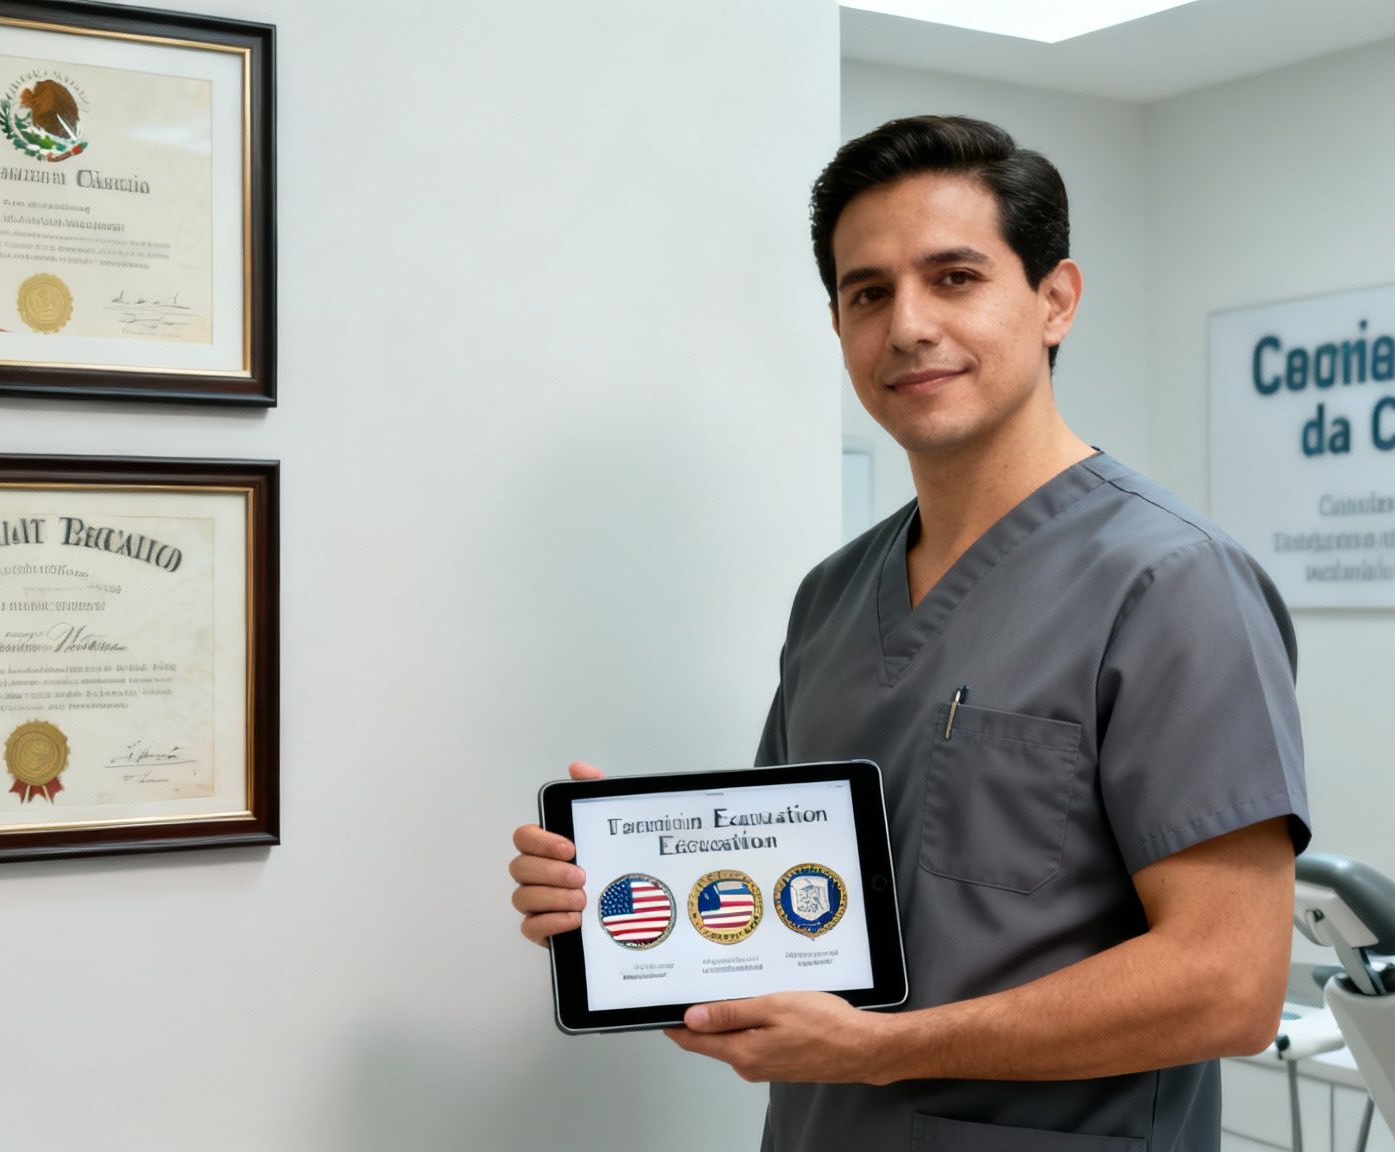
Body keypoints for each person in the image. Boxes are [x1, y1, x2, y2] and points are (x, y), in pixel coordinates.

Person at [508, 116, 1310, 1151]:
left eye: (955, 278)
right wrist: (621, 912)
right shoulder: (832, 599)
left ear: (1054, 300)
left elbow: (1228, 985)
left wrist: (884, 1046)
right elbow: (780, 941)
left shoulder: (1170, 584)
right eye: (867, 293)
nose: (907, 326)